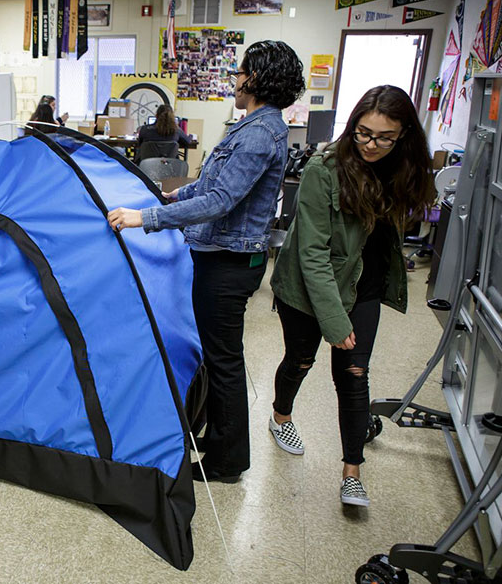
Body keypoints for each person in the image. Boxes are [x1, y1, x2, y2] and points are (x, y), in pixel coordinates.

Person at [107, 40, 305, 483]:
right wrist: (176, 194)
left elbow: (221, 200)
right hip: (222, 257)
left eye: (240, 72)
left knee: (223, 360)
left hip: (229, 264)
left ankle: (225, 461)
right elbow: (213, 185)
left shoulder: (257, 132)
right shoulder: (255, 125)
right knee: (219, 356)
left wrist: (148, 217)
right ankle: (217, 443)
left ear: (256, 78)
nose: (234, 78)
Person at [268, 85, 433, 506]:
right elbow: (312, 253)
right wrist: (334, 321)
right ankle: (280, 416)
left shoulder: (402, 166)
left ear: (403, 135)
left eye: (384, 137)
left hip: (365, 284)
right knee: (300, 360)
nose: (371, 144)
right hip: (308, 288)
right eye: (363, 133)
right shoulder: (324, 169)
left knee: (354, 375)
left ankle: (352, 472)